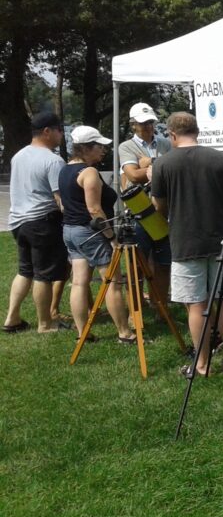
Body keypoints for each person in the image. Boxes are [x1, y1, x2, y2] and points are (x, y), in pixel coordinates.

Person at [151, 112, 223, 376]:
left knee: (196, 305)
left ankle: (202, 364)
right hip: (221, 239)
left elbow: (158, 205)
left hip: (184, 240)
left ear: (171, 135)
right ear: (198, 130)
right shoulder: (220, 158)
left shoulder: (163, 164)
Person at [58, 126, 135, 343]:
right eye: (99, 146)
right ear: (85, 148)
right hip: (90, 232)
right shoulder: (89, 172)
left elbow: (64, 204)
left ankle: (83, 333)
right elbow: (94, 210)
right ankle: (124, 332)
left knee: (80, 282)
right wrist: (112, 238)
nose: (103, 150)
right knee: (113, 282)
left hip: (70, 231)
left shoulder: (65, 169)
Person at [4, 111, 69, 334]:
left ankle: (12, 318)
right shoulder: (53, 160)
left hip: (18, 222)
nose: (62, 134)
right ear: (47, 131)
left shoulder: (18, 156)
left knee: (25, 271)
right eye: (59, 129)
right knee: (44, 275)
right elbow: (59, 197)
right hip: (42, 222)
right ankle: (45, 324)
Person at [119, 102, 172, 307]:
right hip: (138, 213)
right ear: (133, 125)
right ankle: (136, 308)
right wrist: (158, 164)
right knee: (136, 265)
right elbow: (133, 175)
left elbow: (170, 172)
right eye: (143, 123)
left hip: (161, 210)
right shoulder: (126, 146)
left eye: (150, 122)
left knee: (162, 263)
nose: (148, 127)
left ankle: (160, 306)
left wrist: (149, 164)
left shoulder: (164, 143)